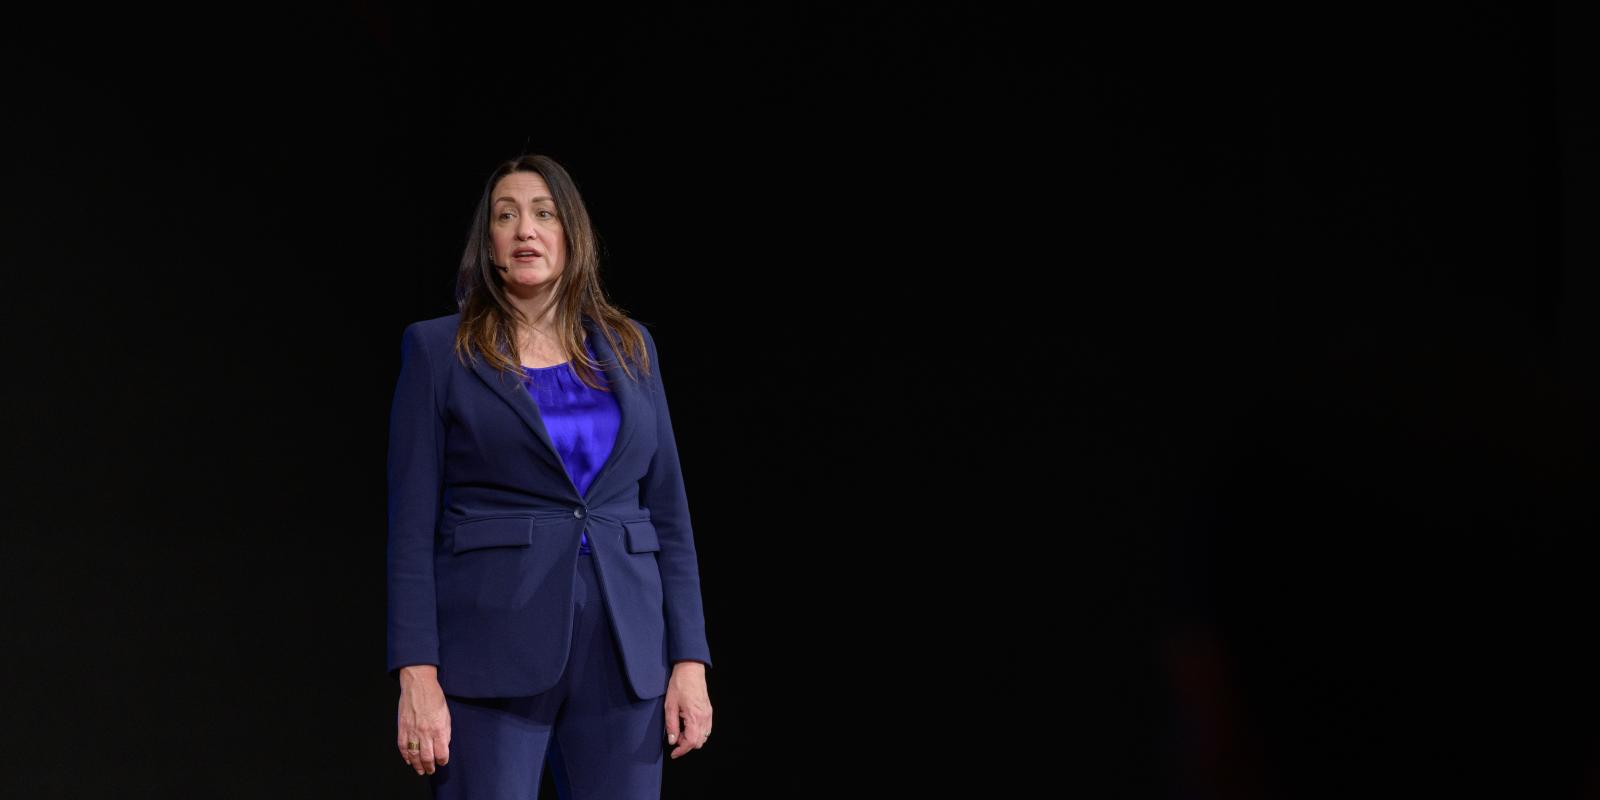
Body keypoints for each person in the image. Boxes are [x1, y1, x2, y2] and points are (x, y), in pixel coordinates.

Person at [385, 153, 714, 798]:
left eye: (543, 214)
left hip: (626, 649)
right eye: (505, 217)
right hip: (491, 644)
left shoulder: (631, 348)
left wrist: (690, 659)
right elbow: (409, 526)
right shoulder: (438, 351)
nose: (525, 230)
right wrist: (416, 672)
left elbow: (670, 514)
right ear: (489, 244)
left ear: (572, 236)